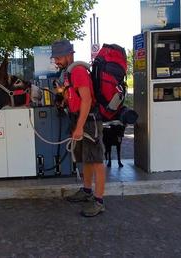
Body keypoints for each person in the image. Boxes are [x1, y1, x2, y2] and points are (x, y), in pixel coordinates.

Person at [50, 39, 106, 217]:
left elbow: (87, 100)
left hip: (89, 121)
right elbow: (74, 96)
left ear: (69, 55)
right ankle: (87, 191)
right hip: (79, 120)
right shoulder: (68, 73)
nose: (56, 61)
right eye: (55, 58)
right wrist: (63, 98)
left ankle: (99, 202)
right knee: (86, 159)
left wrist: (80, 127)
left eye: (58, 57)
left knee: (96, 161)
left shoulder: (79, 71)